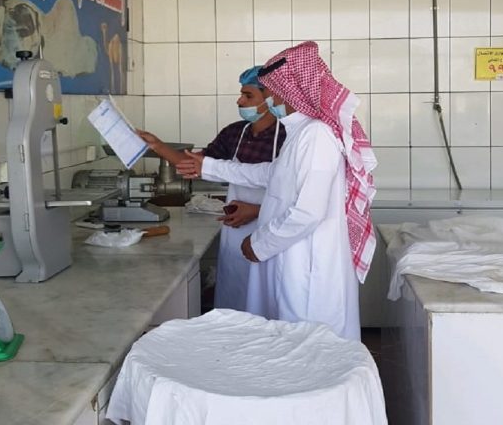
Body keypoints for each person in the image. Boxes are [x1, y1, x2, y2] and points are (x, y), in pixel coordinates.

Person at [176, 41, 377, 340]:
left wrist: (259, 244)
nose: (270, 99)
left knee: (307, 342)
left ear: (289, 90)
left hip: (305, 265)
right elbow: (270, 174)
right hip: (291, 257)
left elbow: (308, 212)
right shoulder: (300, 133)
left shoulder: (317, 136)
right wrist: (207, 166)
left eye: (271, 92)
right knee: (286, 339)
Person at [138, 66, 286, 312]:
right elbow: (195, 164)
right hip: (235, 230)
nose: (239, 101)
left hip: (272, 227)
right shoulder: (234, 133)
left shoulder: (287, 136)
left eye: (248, 95)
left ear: (270, 98)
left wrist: (257, 210)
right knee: (236, 296)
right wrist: (158, 146)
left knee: (265, 301)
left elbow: (299, 191)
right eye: (241, 94)